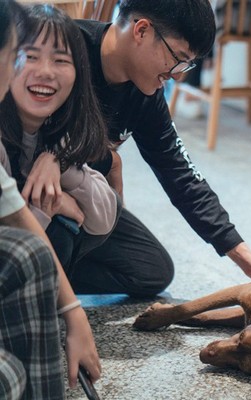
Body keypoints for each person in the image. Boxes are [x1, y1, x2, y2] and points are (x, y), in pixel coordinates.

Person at [73, 0, 251, 297]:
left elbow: (178, 169)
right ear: (141, 30)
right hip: (35, 192)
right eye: (178, 58)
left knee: (151, 271)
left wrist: (241, 253)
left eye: (188, 64)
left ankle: (49, 271)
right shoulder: (66, 54)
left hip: (86, 194)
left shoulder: (146, 93)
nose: (179, 75)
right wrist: (108, 162)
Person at [0, 1, 100, 398]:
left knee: (35, 251)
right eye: (18, 57)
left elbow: (104, 215)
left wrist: (73, 312)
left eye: (59, 60)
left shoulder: (72, 128)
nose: (22, 71)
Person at [0, 5, 120, 280]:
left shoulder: (62, 128)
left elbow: (103, 220)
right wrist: (50, 206)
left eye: (60, 60)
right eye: (30, 56)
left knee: (150, 269)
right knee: (63, 229)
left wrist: (60, 162)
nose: (45, 71)